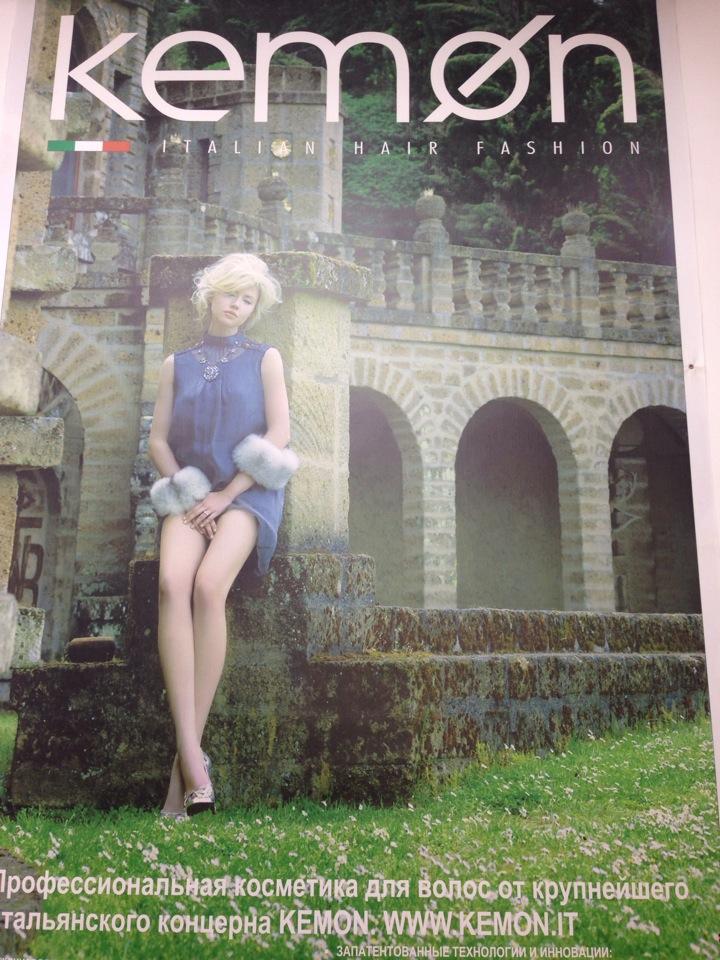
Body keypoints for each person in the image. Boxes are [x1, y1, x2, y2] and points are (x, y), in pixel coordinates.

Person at [147, 252, 298, 818]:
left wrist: (227, 494)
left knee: (209, 587)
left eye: (248, 299)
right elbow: (158, 440)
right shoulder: (177, 363)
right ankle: (193, 760)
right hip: (190, 494)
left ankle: (183, 775)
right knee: (171, 584)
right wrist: (190, 493)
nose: (238, 305)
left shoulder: (265, 358)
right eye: (231, 293)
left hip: (246, 494)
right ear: (210, 294)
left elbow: (279, 432)